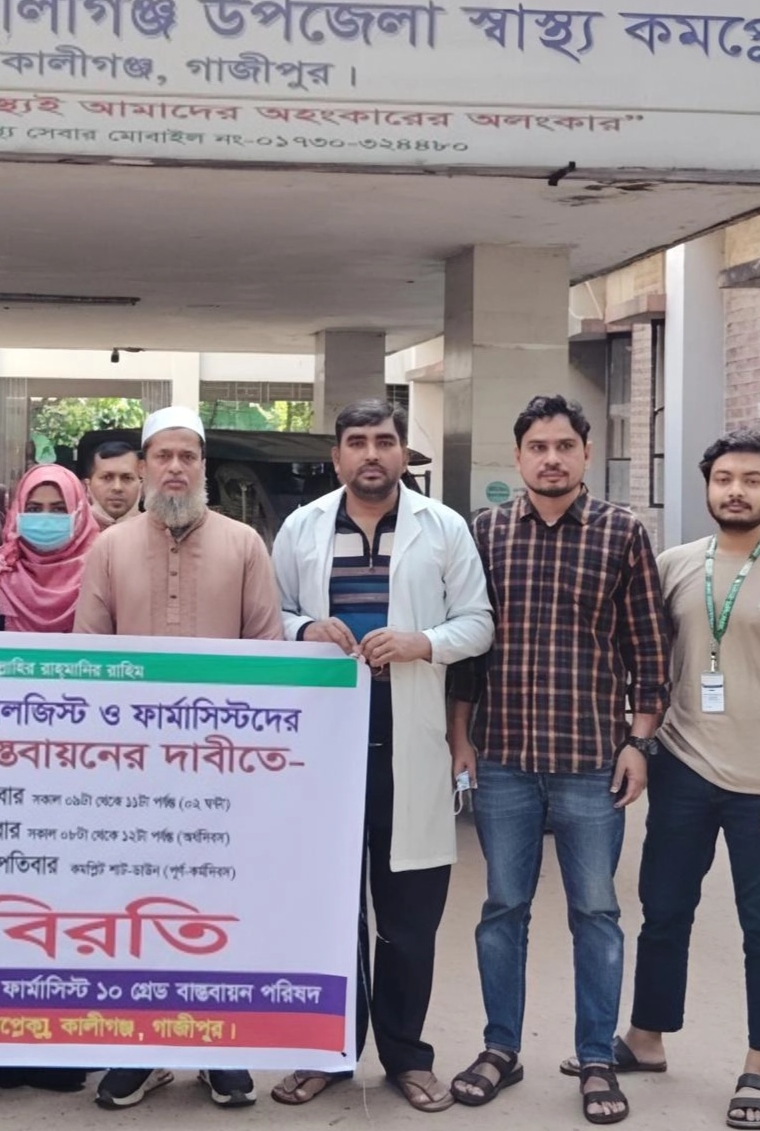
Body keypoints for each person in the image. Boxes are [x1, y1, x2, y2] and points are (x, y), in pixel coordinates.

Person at [449, 395, 672, 1126]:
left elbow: (649, 650)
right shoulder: (484, 532)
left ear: (585, 453)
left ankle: (597, 1058)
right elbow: (468, 651)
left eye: (564, 446)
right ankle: (500, 1049)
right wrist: (460, 739)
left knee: (597, 912)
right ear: (518, 457)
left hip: (590, 760)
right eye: (538, 447)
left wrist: (639, 742)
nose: (551, 458)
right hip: (504, 758)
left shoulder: (621, 533)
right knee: (502, 909)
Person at [612, 431, 760, 1129]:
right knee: (663, 911)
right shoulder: (673, 566)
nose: (735, 491)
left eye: (750, 480)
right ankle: (646, 1037)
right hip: (682, 768)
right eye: (723, 479)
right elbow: (646, 660)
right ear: (707, 485)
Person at [269, 400, 493, 1114]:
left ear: (403, 453)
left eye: (385, 441)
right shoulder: (302, 527)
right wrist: (304, 628)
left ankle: (406, 1057)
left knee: (409, 921)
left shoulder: (443, 527)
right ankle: (326, 1055)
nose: (372, 453)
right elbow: (268, 614)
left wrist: (423, 642)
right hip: (325, 748)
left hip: (409, 742)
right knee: (328, 912)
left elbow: (479, 622)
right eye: (358, 441)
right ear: (337, 455)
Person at [75, 405, 282, 1111]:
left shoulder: (244, 545)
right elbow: (89, 661)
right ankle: (140, 1051)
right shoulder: (108, 549)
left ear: (202, 467)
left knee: (218, 910)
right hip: (133, 773)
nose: (173, 468)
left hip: (223, 771)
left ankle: (220, 1050)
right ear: (141, 467)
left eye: (186, 456)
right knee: (136, 912)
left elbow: (266, 658)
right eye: (161, 455)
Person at [0, 463, 98, 632]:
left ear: (79, 513)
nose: (45, 518)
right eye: (34, 509)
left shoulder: (101, 572)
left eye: (59, 509)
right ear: (18, 512)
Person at [85, 439, 143, 528]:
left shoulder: (160, 531)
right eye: (107, 477)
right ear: (88, 485)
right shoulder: (72, 532)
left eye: (127, 478)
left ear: (141, 485)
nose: (117, 487)